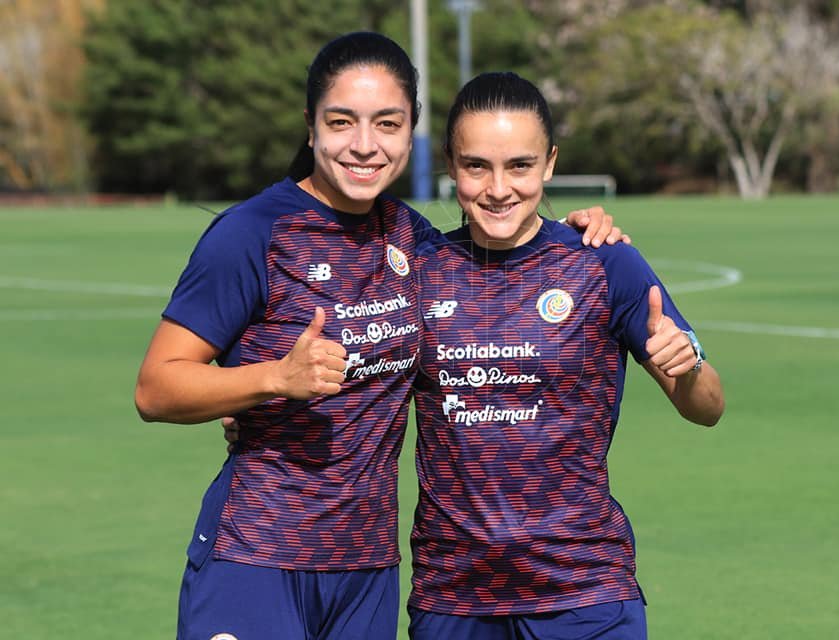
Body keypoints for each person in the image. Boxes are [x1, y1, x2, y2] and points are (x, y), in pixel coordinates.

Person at [136, 32, 623, 640]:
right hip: (256, 554)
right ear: (311, 128)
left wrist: (580, 229)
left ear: (412, 131)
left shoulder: (411, 237)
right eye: (342, 122)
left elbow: (508, 240)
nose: (364, 145)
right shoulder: (252, 232)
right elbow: (155, 388)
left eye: (387, 124)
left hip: (367, 573)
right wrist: (272, 380)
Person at [407, 72, 725, 639]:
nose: (498, 188)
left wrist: (689, 366)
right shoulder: (420, 271)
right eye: (477, 165)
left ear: (550, 164)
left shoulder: (605, 263)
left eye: (520, 166)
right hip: (453, 596)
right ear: (451, 167)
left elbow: (707, 406)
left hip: (585, 593)